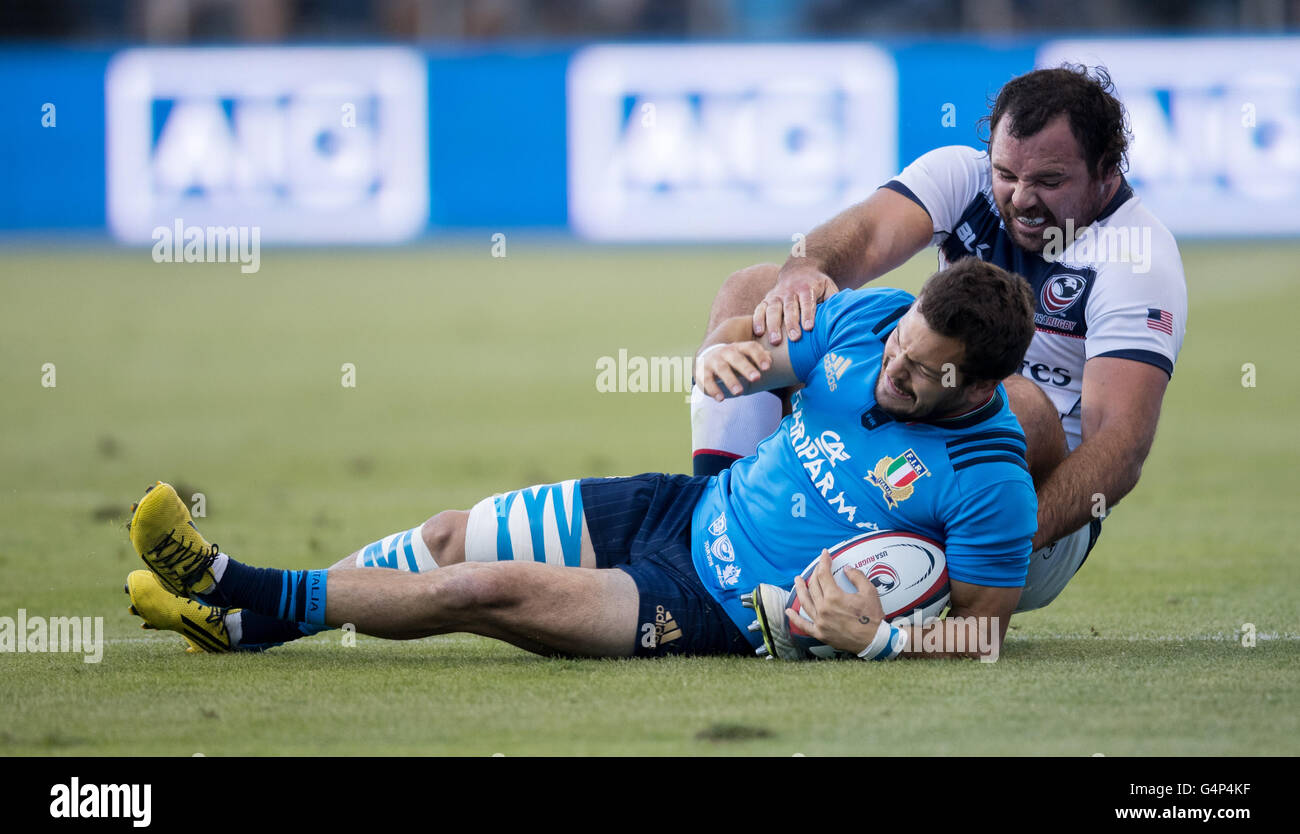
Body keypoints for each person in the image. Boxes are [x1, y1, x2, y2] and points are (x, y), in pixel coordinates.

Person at [126, 258, 1040, 662]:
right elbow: (755, 355)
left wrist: (879, 636)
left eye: (919, 375)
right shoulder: (871, 319)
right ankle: (241, 626)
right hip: (678, 509)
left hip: (706, 608)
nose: (893, 371)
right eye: (897, 351)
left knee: (479, 590)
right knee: (447, 536)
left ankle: (226, 577)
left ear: (977, 384)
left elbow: (984, 630)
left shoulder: (991, 482)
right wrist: (725, 354)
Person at [690, 64, 1188, 613]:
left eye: (1049, 182)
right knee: (758, 291)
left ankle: (880, 567)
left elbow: (1119, 447)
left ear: (1105, 168)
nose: (1022, 198)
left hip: (1024, 514)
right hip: (913, 446)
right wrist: (804, 271)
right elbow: (867, 232)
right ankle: (720, 529)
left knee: (1017, 401)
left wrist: (1002, 548)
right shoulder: (962, 175)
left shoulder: (1137, 259)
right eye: (1007, 174)